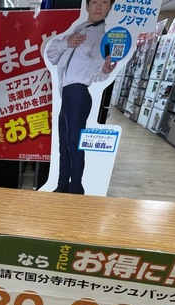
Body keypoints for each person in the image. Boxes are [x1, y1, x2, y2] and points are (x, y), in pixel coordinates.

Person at [47, 0, 117, 194]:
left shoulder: (102, 38)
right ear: (87, 6)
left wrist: (104, 71)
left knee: (74, 144)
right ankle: (62, 185)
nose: (98, 6)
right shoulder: (78, 30)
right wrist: (66, 42)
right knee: (64, 144)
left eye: (104, 2)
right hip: (67, 96)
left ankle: (76, 189)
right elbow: (52, 56)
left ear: (110, 7)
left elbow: (97, 74)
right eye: (94, 1)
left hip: (78, 94)